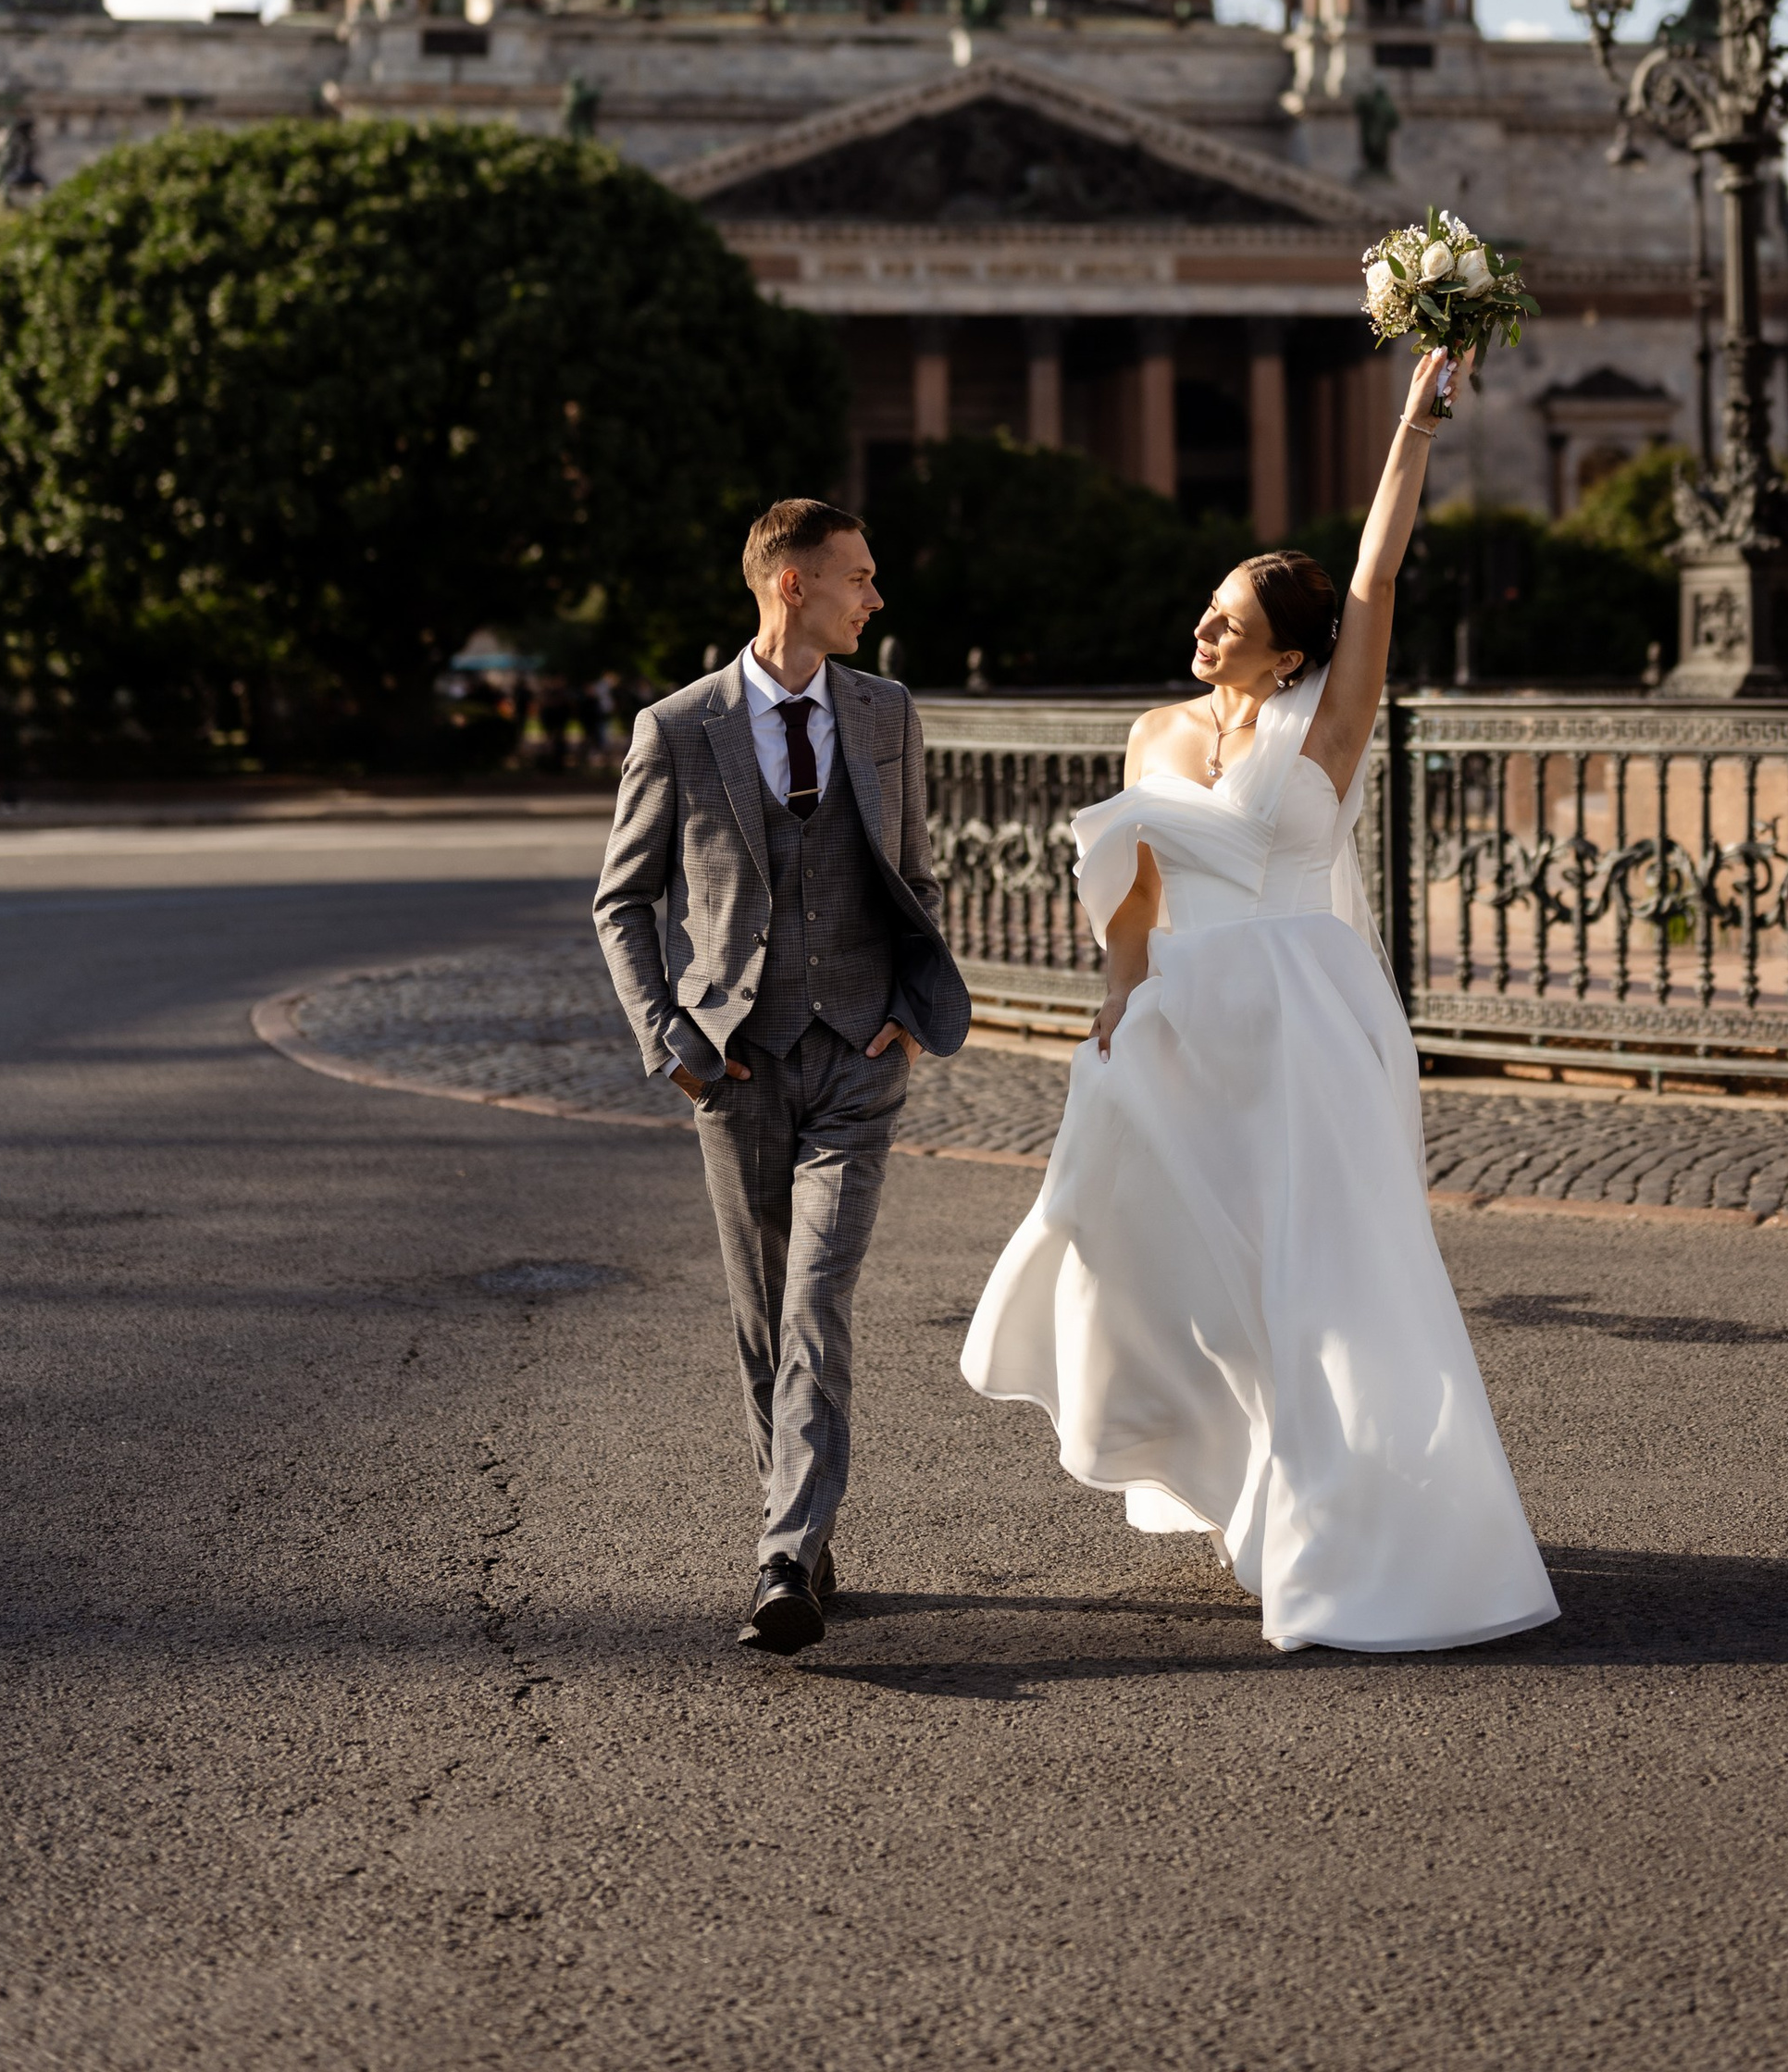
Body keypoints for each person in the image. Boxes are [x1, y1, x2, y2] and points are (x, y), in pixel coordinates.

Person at [961, 349, 1558, 1654]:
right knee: (1164, 1259)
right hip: (1182, 1023)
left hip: (1305, 1018)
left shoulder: (1327, 719)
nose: (1205, 623)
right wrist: (1119, 1004)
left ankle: (1340, 1521)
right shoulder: (1152, 734)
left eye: (1229, 613)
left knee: (1320, 1275)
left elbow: (1377, 572)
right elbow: (1132, 888)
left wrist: (1413, 421)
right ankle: (1241, 1471)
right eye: (1207, 607)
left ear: (1286, 648)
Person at [593, 498, 970, 1654]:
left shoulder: (887, 710)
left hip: (858, 1058)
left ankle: (782, 1556)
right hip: (736, 1062)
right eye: (859, 576)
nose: (876, 596)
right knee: (763, 1319)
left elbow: (915, 873)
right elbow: (623, 902)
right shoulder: (677, 727)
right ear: (792, 584)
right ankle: (799, 1531)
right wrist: (674, 1043)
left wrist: (908, 1014)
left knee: (814, 1300)